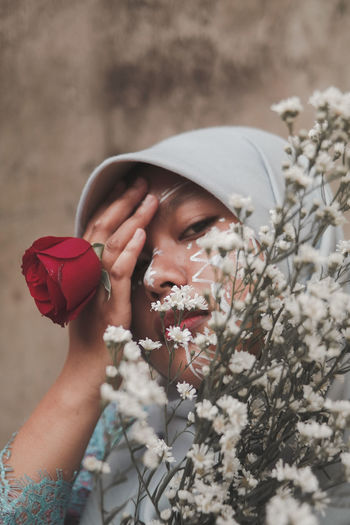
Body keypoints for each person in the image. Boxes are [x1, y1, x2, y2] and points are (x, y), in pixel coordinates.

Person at [0, 127, 348, 524]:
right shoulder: (126, 438)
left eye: (195, 227)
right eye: (137, 265)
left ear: (297, 226)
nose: (154, 279)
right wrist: (84, 374)